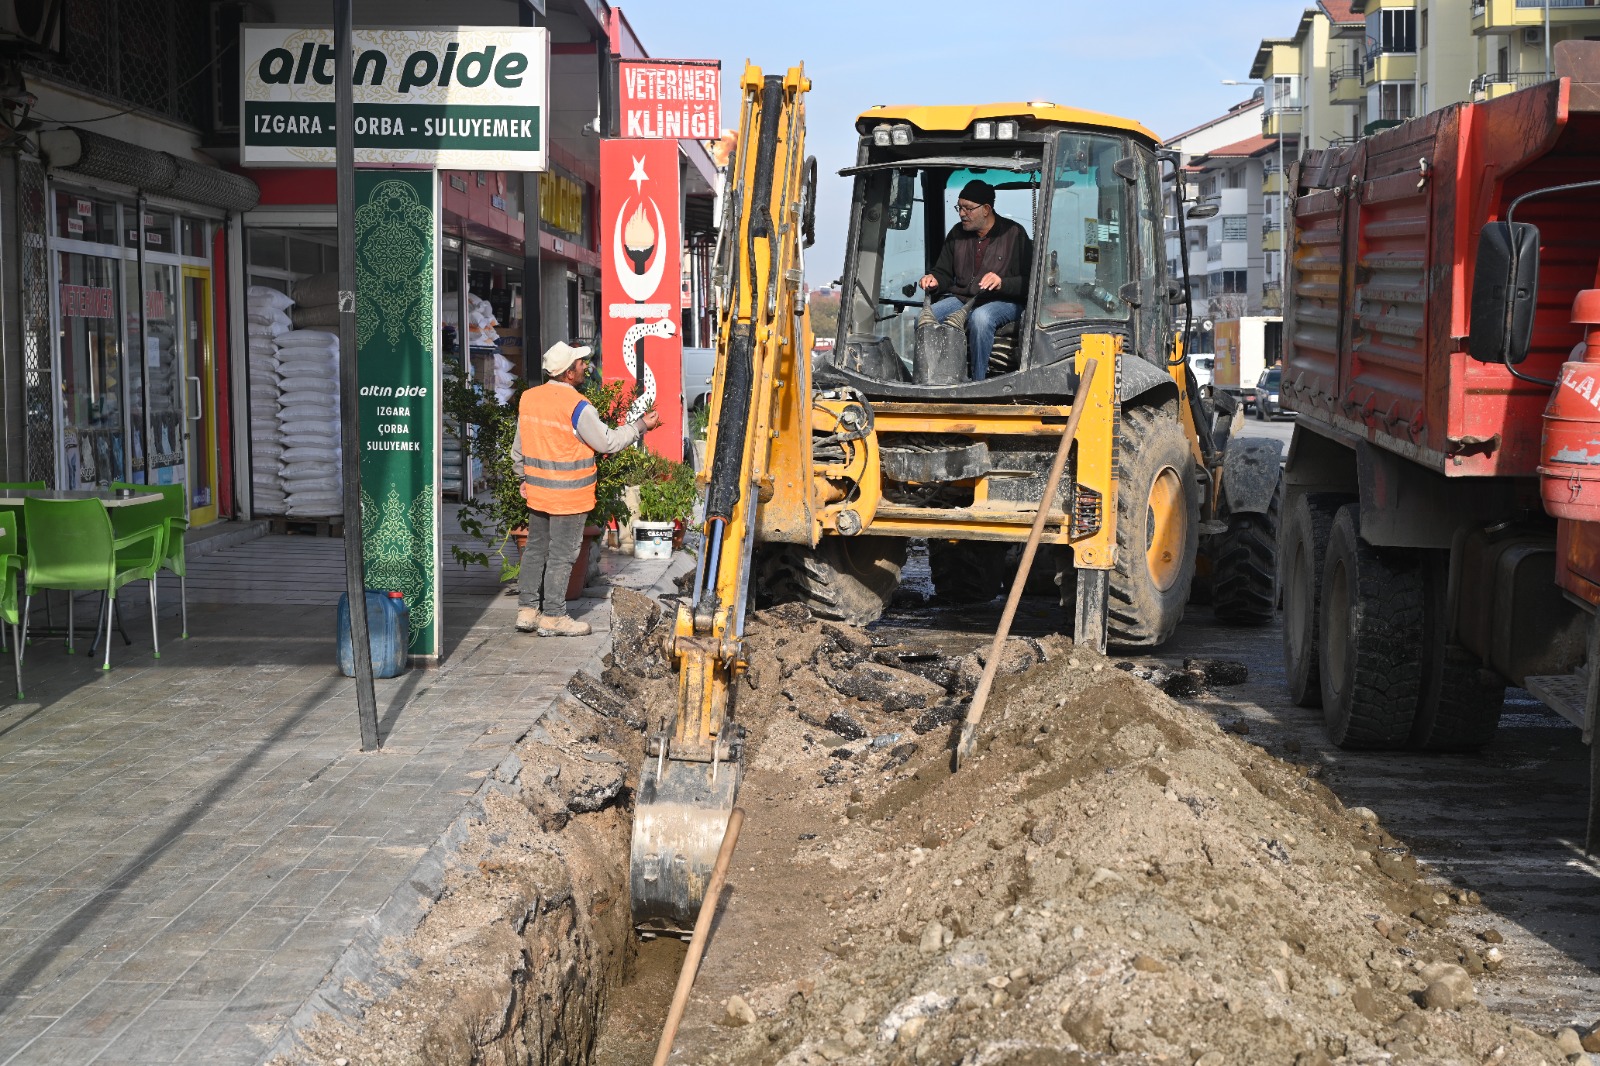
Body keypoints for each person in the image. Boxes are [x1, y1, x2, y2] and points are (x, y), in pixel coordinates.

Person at [510, 341, 661, 636]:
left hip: (538, 490)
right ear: (568, 373)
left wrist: (521, 478)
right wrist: (640, 426)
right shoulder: (577, 406)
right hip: (568, 495)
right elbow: (608, 442)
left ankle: (527, 611)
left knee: (535, 550)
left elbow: (519, 448)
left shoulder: (530, 398)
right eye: (580, 364)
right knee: (562, 555)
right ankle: (554, 616)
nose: (585, 366)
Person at [919, 179, 1033, 381]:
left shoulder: (1015, 234)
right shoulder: (956, 233)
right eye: (959, 207)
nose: (962, 213)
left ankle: (977, 382)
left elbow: (1029, 283)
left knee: (980, 319)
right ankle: (932, 378)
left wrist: (1002, 282)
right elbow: (943, 273)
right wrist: (934, 280)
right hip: (963, 298)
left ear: (987, 209)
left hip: (1005, 301)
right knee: (925, 318)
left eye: (968, 208)